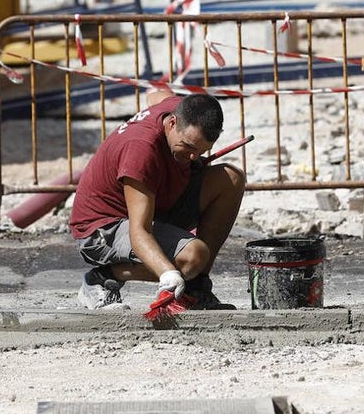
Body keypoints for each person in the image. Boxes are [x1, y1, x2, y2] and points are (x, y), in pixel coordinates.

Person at [68, 87, 246, 311]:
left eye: (201, 152)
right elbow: (139, 230)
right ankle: (102, 277)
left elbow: (157, 92)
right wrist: (168, 275)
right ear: (172, 123)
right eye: (188, 147)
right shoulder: (141, 150)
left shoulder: (177, 109)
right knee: (193, 257)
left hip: (156, 204)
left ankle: (195, 286)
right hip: (102, 228)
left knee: (230, 178)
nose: (193, 157)